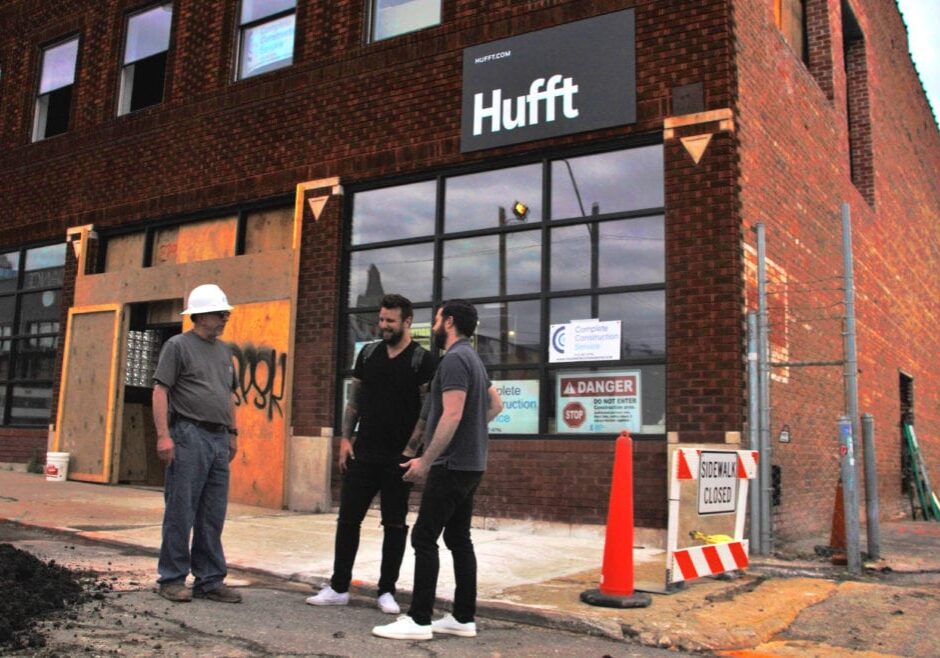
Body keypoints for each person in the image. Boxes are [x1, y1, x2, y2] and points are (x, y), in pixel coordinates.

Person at [372, 299, 503, 641]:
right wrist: (471, 431)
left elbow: (453, 413)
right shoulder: (473, 358)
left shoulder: (456, 360)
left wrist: (426, 460)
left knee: (423, 537)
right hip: (470, 464)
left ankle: (419, 620)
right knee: (458, 538)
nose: (432, 326)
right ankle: (463, 618)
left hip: (451, 465)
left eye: (436, 319)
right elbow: (496, 404)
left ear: (449, 322)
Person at [306, 294, 435, 614]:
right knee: (348, 520)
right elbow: (354, 400)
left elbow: (427, 411)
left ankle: (387, 591)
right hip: (363, 453)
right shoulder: (368, 353)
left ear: (407, 322)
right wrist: (345, 439)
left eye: (390, 321)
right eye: (381, 319)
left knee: (395, 524)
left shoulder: (422, 359)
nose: (383, 325)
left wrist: (411, 450)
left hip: (398, 459)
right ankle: (339, 587)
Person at [152, 283, 242, 604]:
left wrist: (233, 433)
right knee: (181, 509)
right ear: (200, 316)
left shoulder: (224, 351)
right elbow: (160, 391)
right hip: (188, 434)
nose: (225, 318)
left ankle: (209, 580)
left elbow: (227, 395)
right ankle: (172, 578)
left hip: (218, 437)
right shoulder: (177, 346)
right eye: (220, 313)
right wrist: (163, 435)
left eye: (226, 313)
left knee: (212, 512)